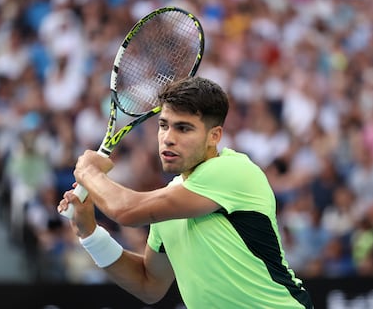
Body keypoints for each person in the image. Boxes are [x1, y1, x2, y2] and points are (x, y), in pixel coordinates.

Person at [58, 76, 313, 308]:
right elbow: (149, 285)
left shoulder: (232, 170)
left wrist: (88, 172)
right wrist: (90, 233)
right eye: (163, 125)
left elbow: (126, 210)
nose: (168, 138)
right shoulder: (170, 200)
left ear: (214, 136)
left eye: (183, 128)